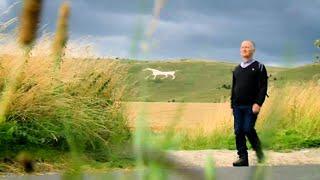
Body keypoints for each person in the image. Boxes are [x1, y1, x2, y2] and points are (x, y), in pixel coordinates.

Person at [231, 40, 268, 166]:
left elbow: (263, 87)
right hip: (237, 106)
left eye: (247, 47)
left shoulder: (259, 67)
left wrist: (258, 103)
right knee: (238, 131)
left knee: (247, 129)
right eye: (242, 47)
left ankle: (259, 153)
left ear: (253, 50)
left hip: (251, 105)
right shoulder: (236, 69)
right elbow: (233, 88)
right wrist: (232, 105)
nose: (244, 49)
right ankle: (243, 158)